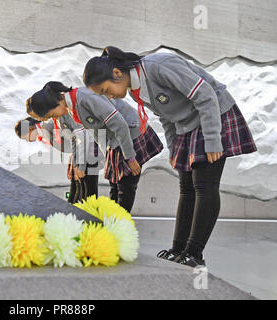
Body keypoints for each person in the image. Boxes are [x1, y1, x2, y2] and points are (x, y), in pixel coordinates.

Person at [83, 46, 257, 267]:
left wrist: (213, 138)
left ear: (117, 73)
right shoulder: (137, 89)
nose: (109, 96)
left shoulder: (158, 67)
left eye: (106, 90)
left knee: (204, 185)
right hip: (188, 126)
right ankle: (178, 249)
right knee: (186, 187)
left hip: (213, 116)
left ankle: (194, 253)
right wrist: (175, 150)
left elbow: (205, 95)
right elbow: (167, 117)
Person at [26, 81, 163, 213]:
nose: (53, 118)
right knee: (115, 186)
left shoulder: (85, 99)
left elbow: (119, 124)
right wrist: (108, 152)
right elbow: (94, 133)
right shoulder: (72, 107)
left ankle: (119, 227)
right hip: (113, 141)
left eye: (51, 115)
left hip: (130, 134)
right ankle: (111, 227)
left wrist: (131, 158)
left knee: (125, 188)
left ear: (56, 103)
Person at [14, 115, 103, 204]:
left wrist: (78, 163)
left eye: (26, 138)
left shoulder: (52, 125)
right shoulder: (45, 130)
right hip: (78, 153)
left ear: (30, 129)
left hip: (87, 151)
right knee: (76, 189)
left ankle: (88, 214)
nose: (28, 141)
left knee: (87, 192)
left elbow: (77, 139)